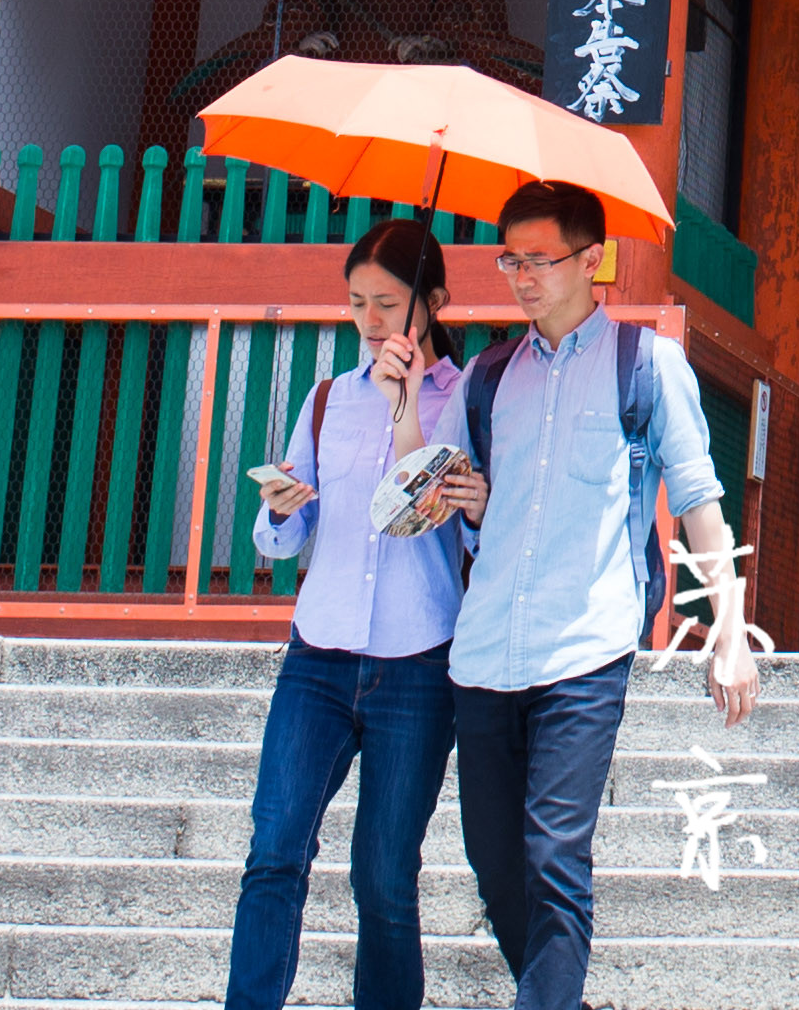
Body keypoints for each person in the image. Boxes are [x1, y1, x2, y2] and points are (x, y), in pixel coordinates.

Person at [450, 176, 757, 1010]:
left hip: (585, 645)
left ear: (594, 261)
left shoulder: (645, 364)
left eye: (540, 259)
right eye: (510, 258)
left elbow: (697, 497)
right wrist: (459, 494)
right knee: (492, 862)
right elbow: (451, 510)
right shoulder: (486, 377)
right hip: (482, 650)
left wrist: (727, 632)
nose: (521, 276)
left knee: (554, 856)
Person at [232, 218, 482, 1010]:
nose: (371, 321)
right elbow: (284, 537)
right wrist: (279, 510)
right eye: (356, 303)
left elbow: (440, 514)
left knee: (384, 875)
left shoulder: (466, 397)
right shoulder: (327, 398)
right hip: (319, 655)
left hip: (419, 663)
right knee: (275, 850)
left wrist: (407, 404)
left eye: (388, 303)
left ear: (433, 302)